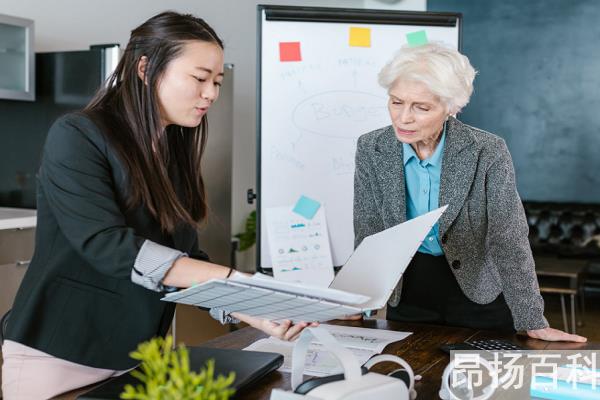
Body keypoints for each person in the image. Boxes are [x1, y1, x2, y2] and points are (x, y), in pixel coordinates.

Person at [1, 12, 313, 399]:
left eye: (217, 82)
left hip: (137, 353)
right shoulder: (78, 135)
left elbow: (183, 259)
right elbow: (106, 244)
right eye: (200, 79)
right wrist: (237, 280)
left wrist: (251, 309)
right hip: (59, 355)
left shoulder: (171, 152)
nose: (211, 94)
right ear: (146, 68)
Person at [353, 42, 586, 342]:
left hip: (480, 293)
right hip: (410, 291)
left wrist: (532, 319)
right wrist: (359, 301)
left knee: (483, 384)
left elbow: (508, 237)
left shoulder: (488, 151)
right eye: (396, 102)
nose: (403, 118)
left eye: (421, 107)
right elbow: (369, 231)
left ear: (452, 107)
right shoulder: (372, 148)